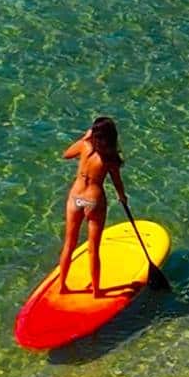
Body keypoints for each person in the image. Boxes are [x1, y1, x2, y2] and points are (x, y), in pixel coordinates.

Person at [58, 115, 132, 295]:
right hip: (93, 200)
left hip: (76, 199)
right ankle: (96, 290)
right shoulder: (109, 157)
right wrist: (122, 197)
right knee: (93, 248)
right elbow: (117, 182)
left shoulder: (84, 146)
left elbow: (66, 154)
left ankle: (62, 286)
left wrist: (85, 137)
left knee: (69, 243)